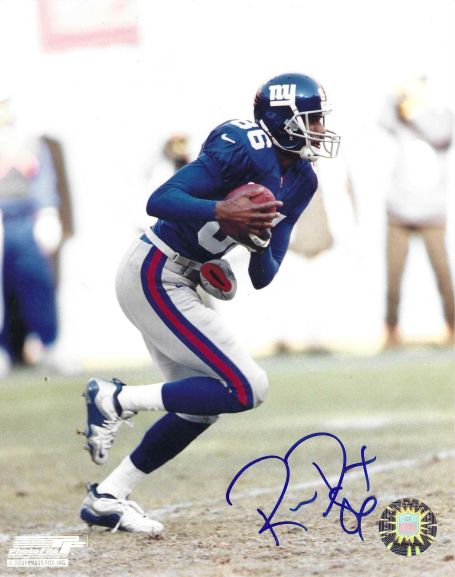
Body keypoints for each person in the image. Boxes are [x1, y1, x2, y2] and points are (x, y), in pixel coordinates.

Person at [80, 72, 341, 535]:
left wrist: (259, 241)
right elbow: (161, 200)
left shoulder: (302, 179)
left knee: (201, 405)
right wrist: (222, 210)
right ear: (282, 120)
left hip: (183, 278)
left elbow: (264, 274)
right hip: (154, 269)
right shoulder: (242, 146)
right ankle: (115, 398)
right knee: (248, 387)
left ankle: (108, 497)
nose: (320, 129)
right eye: (312, 119)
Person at [380, 75, 454, 348]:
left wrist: (414, 109)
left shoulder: (440, 116)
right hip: (399, 213)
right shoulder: (399, 120)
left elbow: (440, 135)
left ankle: (452, 327)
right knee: (393, 277)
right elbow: (383, 119)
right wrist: (396, 94)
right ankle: (391, 331)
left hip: (432, 213)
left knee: (443, 274)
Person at [0, 91, 62, 376]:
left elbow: (42, 178)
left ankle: (49, 344)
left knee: (36, 284)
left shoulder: (28, 140)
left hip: (24, 219)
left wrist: (47, 212)